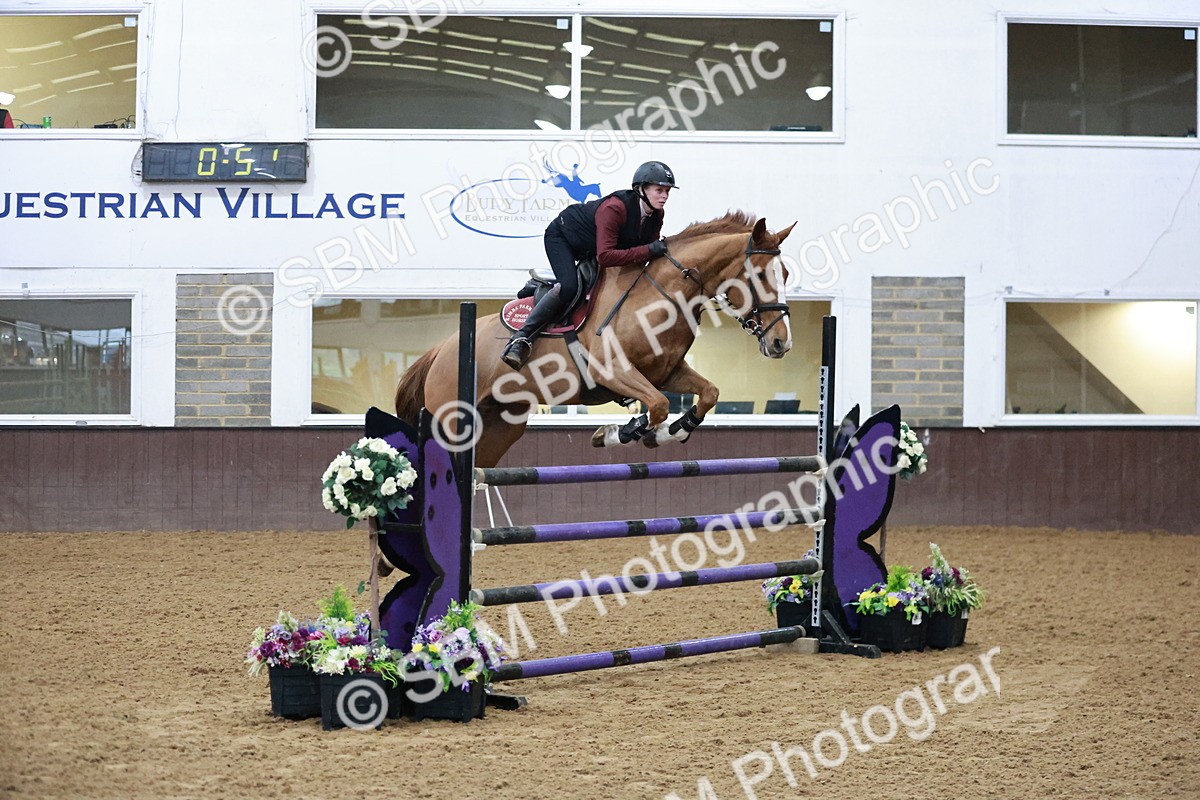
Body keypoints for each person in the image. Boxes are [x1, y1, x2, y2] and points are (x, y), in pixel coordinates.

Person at [500, 160, 677, 370]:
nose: (664, 196)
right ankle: (521, 339)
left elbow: (645, 251)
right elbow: (607, 256)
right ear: (641, 189)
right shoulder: (615, 208)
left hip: (591, 245)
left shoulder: (657, 215)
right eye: (659, 190)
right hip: (563, 237)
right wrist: (650, 250)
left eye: (667, 191)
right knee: (570, 287)